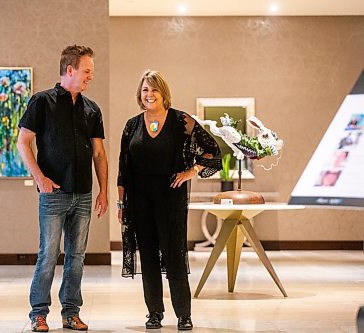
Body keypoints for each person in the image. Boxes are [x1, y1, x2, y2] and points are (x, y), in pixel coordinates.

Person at [117, 70, 221, 330]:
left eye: (154, 90)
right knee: (149, 257)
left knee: (174, 255)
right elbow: (123, 169)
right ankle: (154, 313)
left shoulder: (181, 120)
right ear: (140, 95)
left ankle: (184, 315)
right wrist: (122, 204)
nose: (149, 95)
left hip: (170, 197)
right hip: (139, 199)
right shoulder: (132, 125)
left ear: (163, 93)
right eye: (145, 90)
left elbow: (213, 151)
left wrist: (191, 172)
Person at [17, 45, 108, 332]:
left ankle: (71, 312)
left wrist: (103, 191)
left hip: (83, 195)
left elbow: (99, 154)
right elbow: (23, 142)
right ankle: (38, 313)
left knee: (77, 257)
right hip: (53, 194)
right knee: (48, 254)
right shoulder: (41, 102)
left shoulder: (92, 109)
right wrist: (40, 178)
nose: (90, 77)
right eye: (86, 71)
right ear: (70, 70)